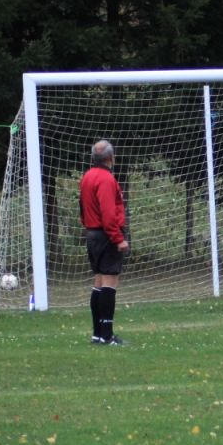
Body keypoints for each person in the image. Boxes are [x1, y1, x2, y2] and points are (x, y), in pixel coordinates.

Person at [79, 139, 130, 345]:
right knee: (109, 282)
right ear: (111, 157)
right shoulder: (106, 179)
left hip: (92, 233)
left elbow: (81, 208)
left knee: (99, 282)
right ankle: (107, 335)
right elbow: (109, 213)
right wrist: (118, 239)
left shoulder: (87, 177)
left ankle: (97, 334)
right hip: (106, 234)